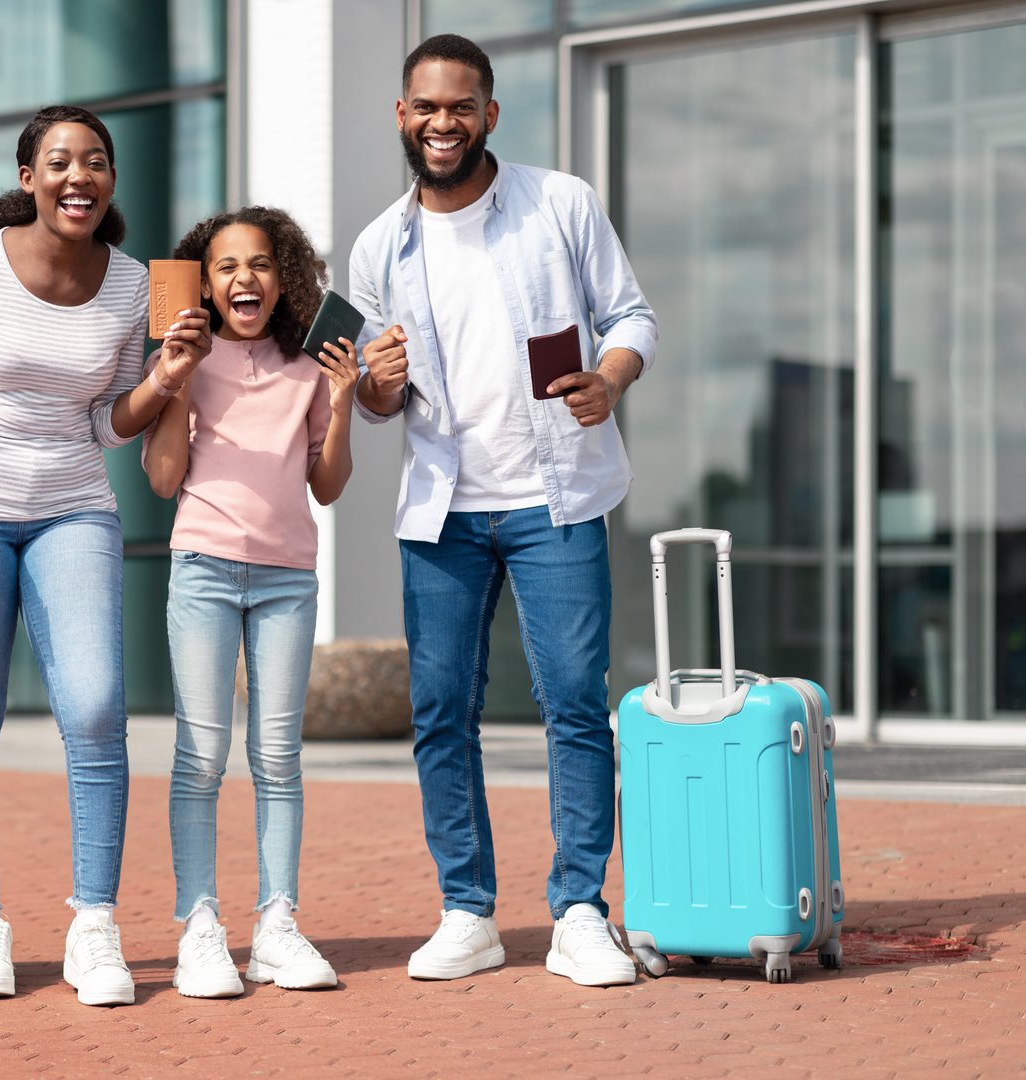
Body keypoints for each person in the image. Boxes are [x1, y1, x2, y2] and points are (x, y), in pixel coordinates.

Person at [348, 34, 659, 988]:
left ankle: (577, 911)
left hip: (554, 497)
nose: (443, 122)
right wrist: (378, 384)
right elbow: (369, 394)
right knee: (442, 712)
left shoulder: (559, 203)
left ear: (489, 112)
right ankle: (467, 911)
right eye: (426, 107)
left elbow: (632, 317)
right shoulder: (379, 245)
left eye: (461, 105)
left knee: (572, 703)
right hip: (443, 511)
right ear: (402, 116)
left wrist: (609, 379)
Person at [0, 104, 211, 1007]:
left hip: (72, 507)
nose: (81, 176)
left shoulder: (136, 287)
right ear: (29, 177)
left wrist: (166, 375)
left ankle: (94, 927)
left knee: (97, 707)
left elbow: (107, 423)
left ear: (112, 181)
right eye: (62, 161)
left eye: (98, 162)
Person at [141, 207, 357, 998]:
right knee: (199, 759)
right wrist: (173, 377)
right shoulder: (187, 361)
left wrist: (342, 398)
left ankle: (277, 926)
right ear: (204, 282)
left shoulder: (309, 366)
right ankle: (200, 926)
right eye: (227, 266)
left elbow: (326, 486)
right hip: (201, 569)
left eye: (260, 264)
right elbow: (162, 479)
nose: (244, 279)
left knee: (278, 760)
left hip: (285, 581)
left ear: (283, 276)